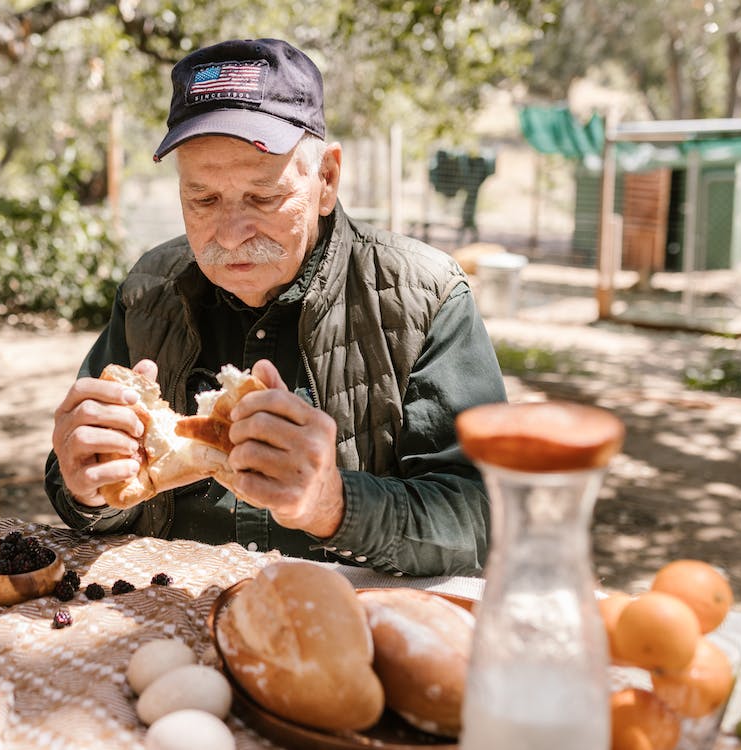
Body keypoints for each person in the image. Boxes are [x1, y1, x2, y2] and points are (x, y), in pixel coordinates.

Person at [45, 38, 507, 576]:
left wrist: (332, 504)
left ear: (326, 180)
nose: (231, 234)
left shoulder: (426, 297)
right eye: (203, 199)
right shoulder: (150, 288)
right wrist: (86, 486)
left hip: (350, 632)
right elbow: (79, 487)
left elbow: (481, 517)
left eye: (263, 198)